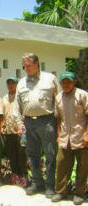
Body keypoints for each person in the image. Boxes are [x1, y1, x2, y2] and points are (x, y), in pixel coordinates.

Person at [14, 53, 60, 197]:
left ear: (37, 63)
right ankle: (37, 183)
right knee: (32, 155)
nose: (25, 68)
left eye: (28, 65)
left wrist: (59, 125)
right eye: (24, 66)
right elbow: (17, 105)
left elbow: (58, 102)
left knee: (50, 155)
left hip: (47, 121)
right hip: (28, 122)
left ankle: (50, 186)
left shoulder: (50, 79)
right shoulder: (21, 82)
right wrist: (19, 124)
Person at [51, 72, 88, 205]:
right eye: (63, 82)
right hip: (64, 138)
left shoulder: (83, 95)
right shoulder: (58, 97)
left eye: (69, 82)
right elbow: (58, 118)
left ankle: (79, 193)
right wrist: (59, 135)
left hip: (81, 138)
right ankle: (61, 192)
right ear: (60, 83)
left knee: (82, 167)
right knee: (61, 165)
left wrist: (87, 135)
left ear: (74, 82)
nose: (66, 84)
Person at [2, 77, 27, 177]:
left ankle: (24, 175)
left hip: (22, 131)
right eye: (8, 83)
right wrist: (2, 126)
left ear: (17, 84)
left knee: (22, 153)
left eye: (13, 83)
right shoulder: (4, 98)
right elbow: (2, 114)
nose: (10, 85)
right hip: (9, 131)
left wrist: (23, 127)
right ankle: (15, 175)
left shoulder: (22, 97)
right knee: (11, 154)